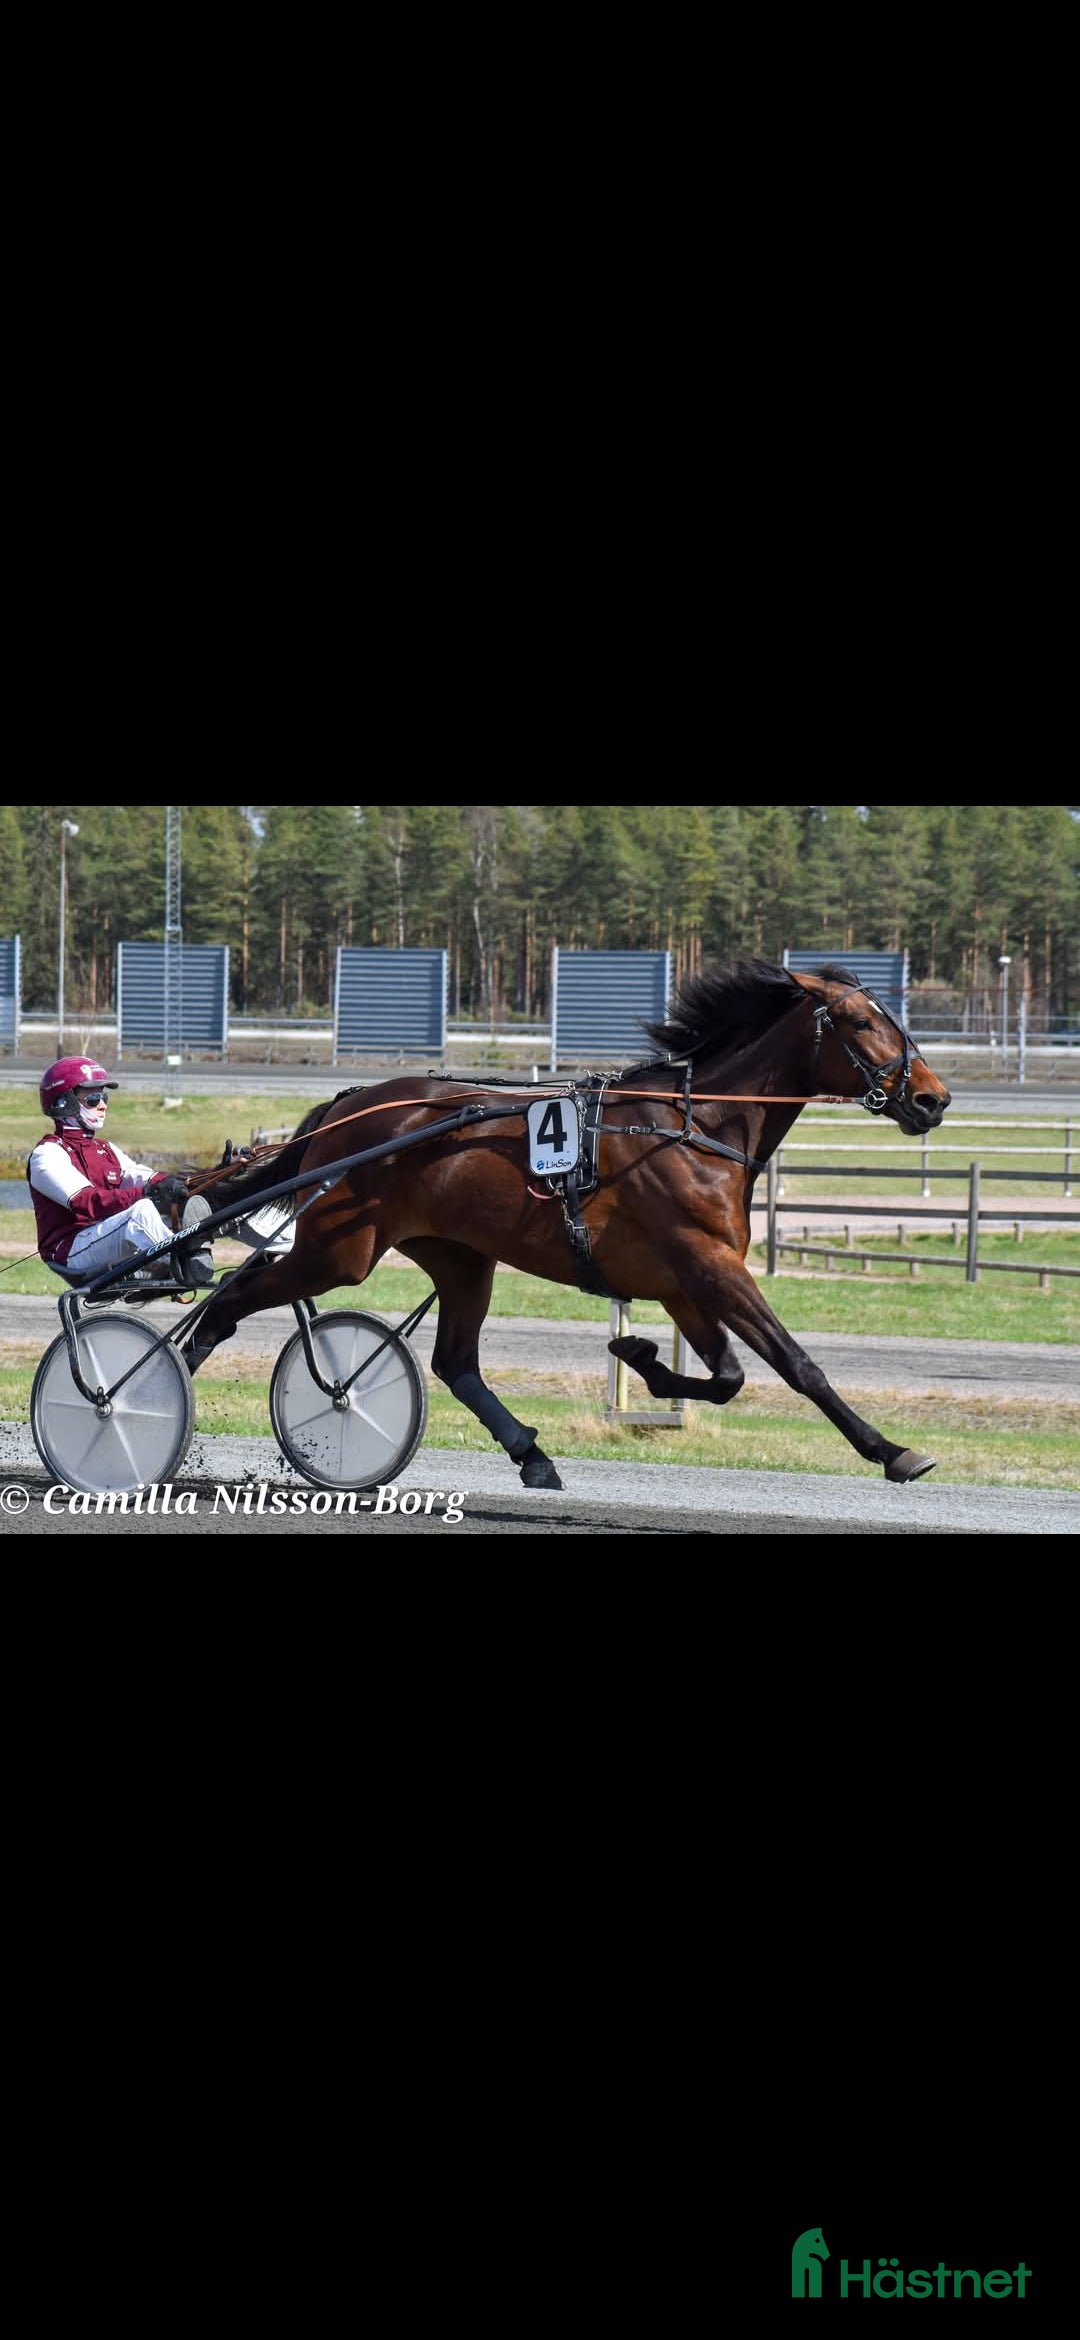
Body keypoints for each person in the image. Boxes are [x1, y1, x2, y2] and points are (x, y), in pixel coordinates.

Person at [28, 1057, 215, 1286]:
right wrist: (150, 1192)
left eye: (104, 1097)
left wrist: (215, 1174)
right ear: (65, 1102)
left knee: (187, 1200)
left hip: (102, 1237)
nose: (103, 1105)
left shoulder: (104, 1149)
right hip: (71, 1252)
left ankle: (262, 1254)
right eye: (93, 1098)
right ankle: (184, 1263)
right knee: (140, 1212)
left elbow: (150, 1178)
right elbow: (88, 1202)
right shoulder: (47, 1155)